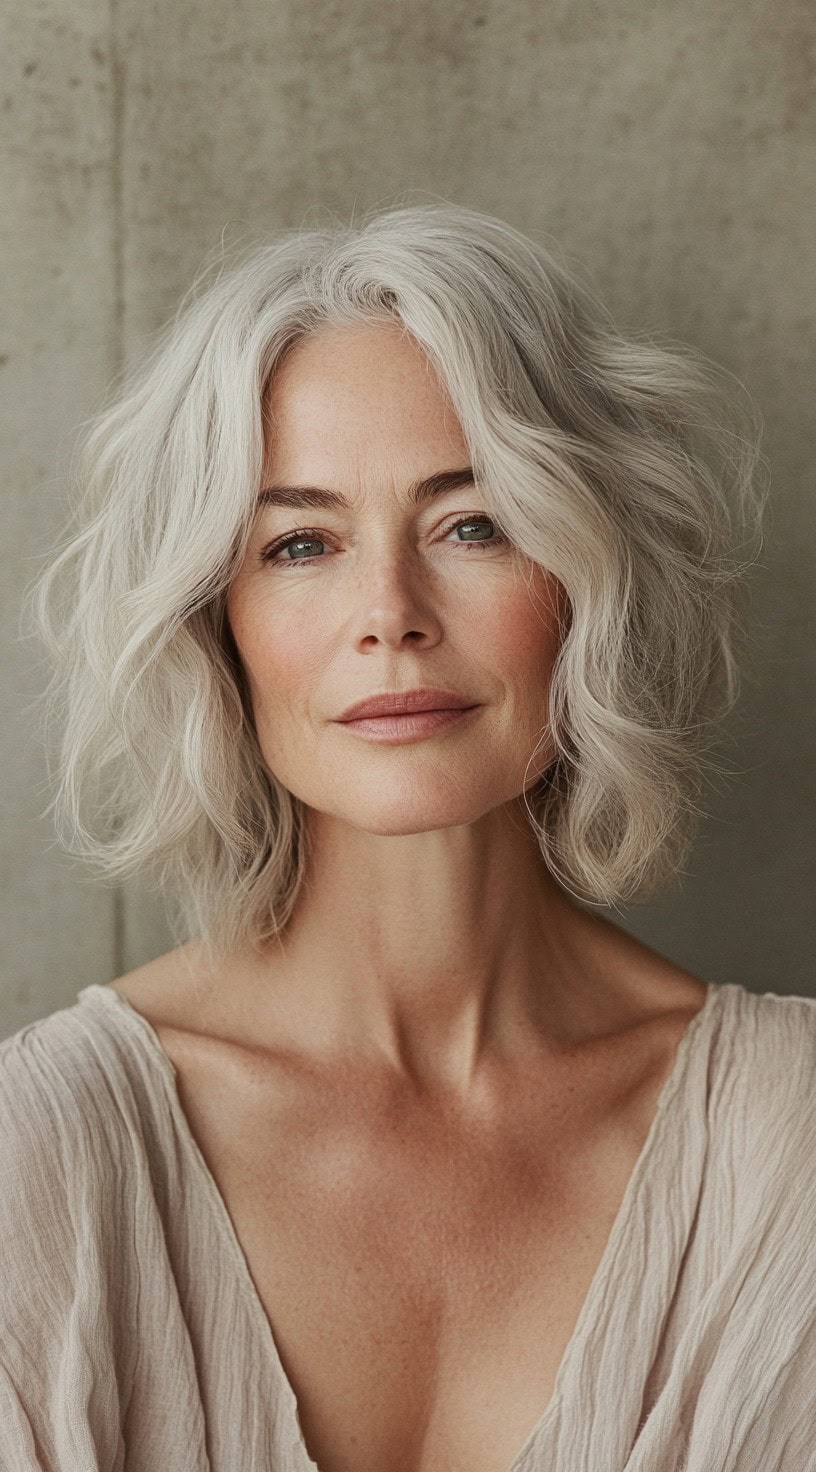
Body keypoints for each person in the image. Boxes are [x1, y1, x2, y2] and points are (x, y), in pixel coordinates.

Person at [2, 201, 813, 1472]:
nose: (389, 612)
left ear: (589, 575)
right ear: (216, 623)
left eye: (471, 522)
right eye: (302, 543)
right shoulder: (38, 1150)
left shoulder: (789, 1138)